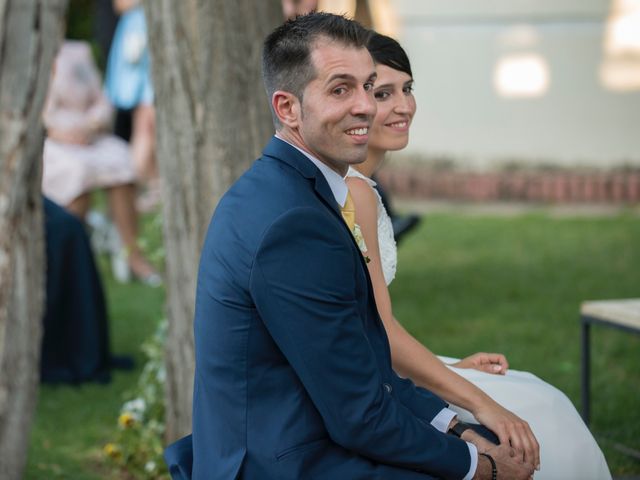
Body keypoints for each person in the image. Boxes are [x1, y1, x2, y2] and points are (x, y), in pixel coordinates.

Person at [165, 13, 536, 480]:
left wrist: (458, 426)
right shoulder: (294, 222)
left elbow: (365, 364)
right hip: (288, 460)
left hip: (313, 429)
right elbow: (359, 416)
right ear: (288, 108)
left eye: (368, 86)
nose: (366, 106)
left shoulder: (292, 190)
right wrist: (481, 468)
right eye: (341, 89)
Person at [344, 32, 611, 480]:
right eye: (383, 93)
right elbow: (381, 333)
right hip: (372, 379)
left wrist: (450, 367)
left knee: (534, 392)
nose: (403, 106)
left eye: (407, 89)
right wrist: (475, 398)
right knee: (545, 411)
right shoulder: (356, 192)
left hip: (381, 359)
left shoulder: (361, 185)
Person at [42, 40, 160, 285]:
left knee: (120, 160)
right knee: (76, 173)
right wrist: (61, 133)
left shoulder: (78, 51)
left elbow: (101, 99)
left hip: (90, 134)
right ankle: (73, 260)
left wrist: (91, 125)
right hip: (53, 140)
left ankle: (133, 254)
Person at [104, 0, 159, 211]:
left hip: (148, 37)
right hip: (139, 39)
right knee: (145, 122)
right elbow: (121, 4)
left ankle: (150, 185)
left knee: (149, 122)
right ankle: (145, 186)